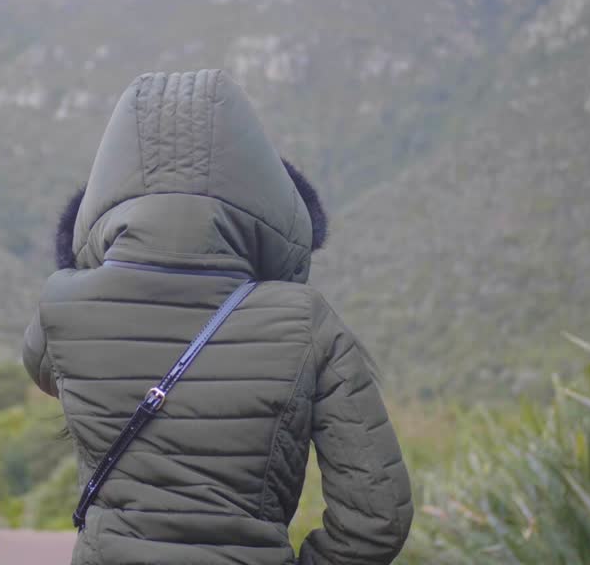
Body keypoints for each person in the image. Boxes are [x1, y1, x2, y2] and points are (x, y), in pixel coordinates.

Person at [23, 69, 413, 565]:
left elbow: (44, 371)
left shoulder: (61, 306)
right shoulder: (306, 322)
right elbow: (378, 517)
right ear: (269, 194)